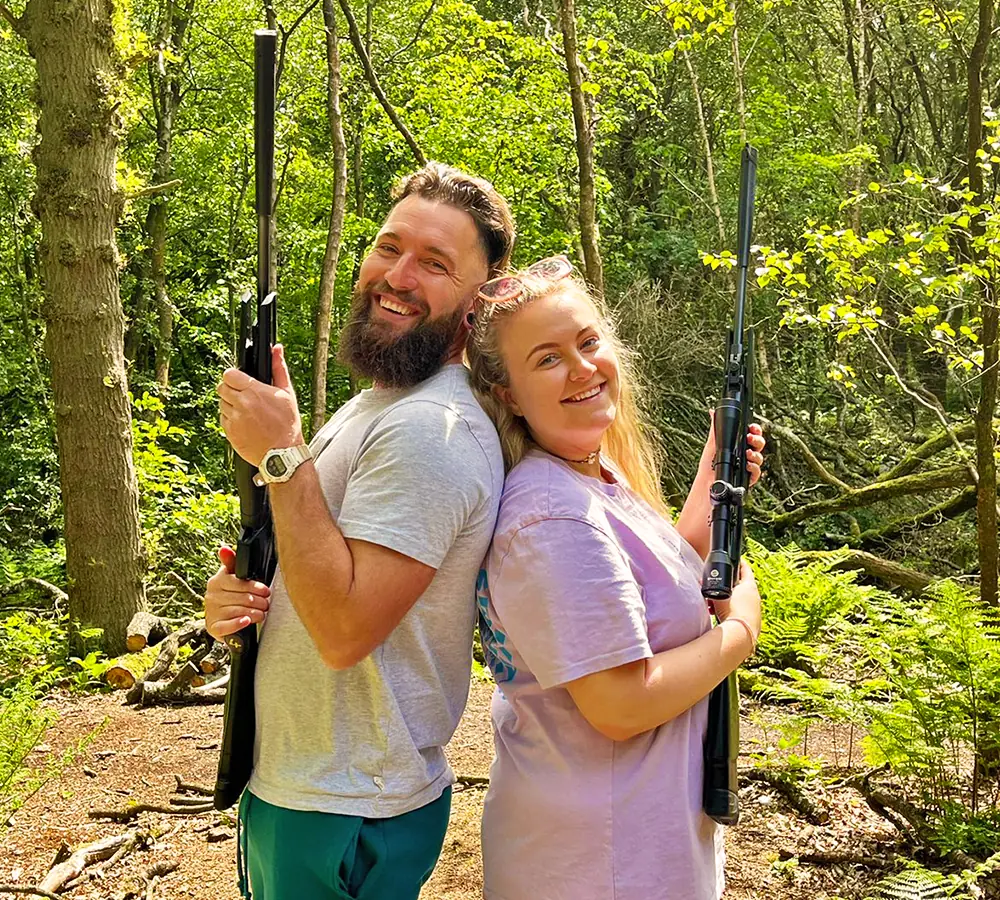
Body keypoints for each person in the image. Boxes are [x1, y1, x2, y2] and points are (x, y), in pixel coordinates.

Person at [205, 162, 515, 900]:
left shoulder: (430, 431)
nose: (397, 276)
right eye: (389, 247)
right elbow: (322, 578)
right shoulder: (379, 404)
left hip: (347, 802)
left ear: (483, 298)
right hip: (313, 784)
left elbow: (344, 629)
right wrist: (243, 598)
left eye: (435, 264)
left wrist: (282, 455)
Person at [466, 255, 765, 900]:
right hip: (600, 862)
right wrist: (740, 630)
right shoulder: (554, 520)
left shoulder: (588, 477)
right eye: (547, 358)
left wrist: (718, 468)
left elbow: (656, 587)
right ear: (508, 394)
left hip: (625, 843)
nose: (581, 368)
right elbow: (621, 705)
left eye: (588, 341)